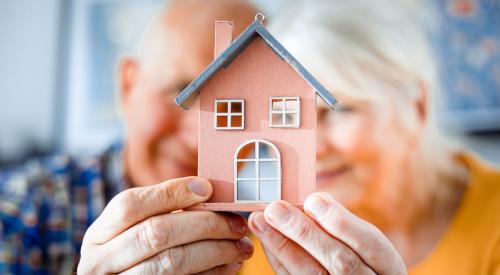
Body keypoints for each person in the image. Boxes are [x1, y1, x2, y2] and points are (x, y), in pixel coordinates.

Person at [240, 0, 500, 274]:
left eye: (340, 110)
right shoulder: (266, 252)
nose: (312, 148)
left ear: (417, 108)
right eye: (285, 116)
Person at [0, 0, 257, 274]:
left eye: (235, 111)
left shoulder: (263, 233)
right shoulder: (22, 211)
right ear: (128, 84)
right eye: (181, 92)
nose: (198, 140)